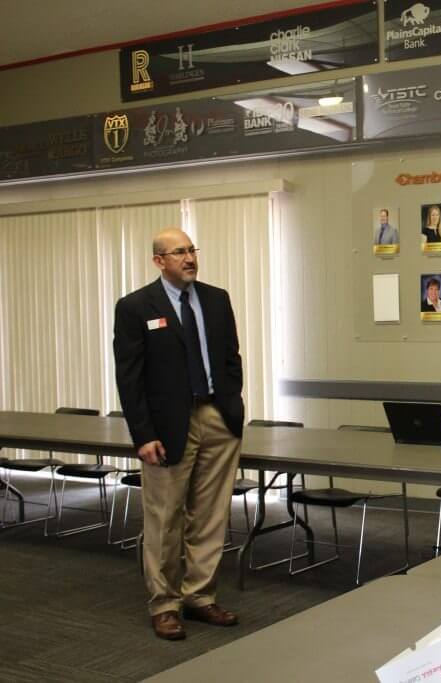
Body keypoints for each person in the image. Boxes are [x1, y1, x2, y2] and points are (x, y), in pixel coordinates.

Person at [113, 227, 244, 641]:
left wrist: (231, 406)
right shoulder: (136, 307)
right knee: (165, 517)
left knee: (210, 515)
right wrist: (142, 433)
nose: (189, 258)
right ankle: (164, 604)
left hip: (216, 418)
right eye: (178, 252)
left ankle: (199, 596)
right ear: (159, 261)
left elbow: (230, 358)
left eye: (191, 250)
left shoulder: (216, 299)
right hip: (167, 427)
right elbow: (129, 377)